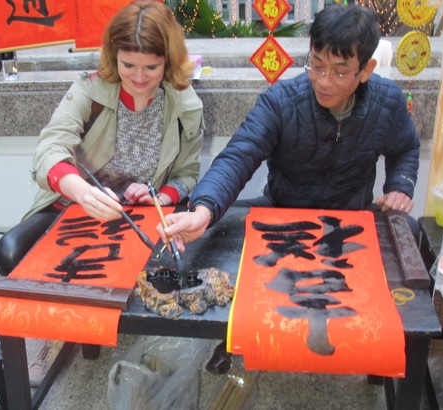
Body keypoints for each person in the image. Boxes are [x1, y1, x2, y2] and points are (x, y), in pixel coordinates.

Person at [159, 4, 420, 373]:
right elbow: (239, 155)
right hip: (283, 212)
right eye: (316, 64)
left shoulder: (387, 101)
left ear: (366, 71)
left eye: (340, 71)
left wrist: (400, 185)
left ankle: (390, 343)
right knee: (215, 223)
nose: (324, 81)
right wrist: (204, 209)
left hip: (349, 218)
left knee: (408, 231)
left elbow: (406, 147)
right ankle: (232, 331)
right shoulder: (283, 101)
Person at [0, 0, 204, 387]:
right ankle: (49, 332)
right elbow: (50, 149)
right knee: (11, 251)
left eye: (151, 67)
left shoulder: (184, 103)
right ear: (113, 56)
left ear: (168, 61)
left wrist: (161, 194)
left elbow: (189, 173)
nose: (139, 78)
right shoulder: (89, 90)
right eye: (128, 65)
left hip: (138, 217)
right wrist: (78, 189)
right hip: (74, 209)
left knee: (172, 273)